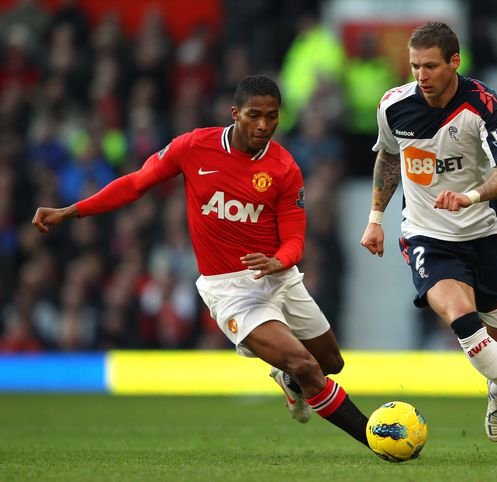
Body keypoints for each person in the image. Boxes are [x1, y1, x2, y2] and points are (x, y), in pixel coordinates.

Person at [33, 75, 370, 448]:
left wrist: (279, 260)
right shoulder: (193, 147)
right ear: (234, 113)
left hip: (279, 276)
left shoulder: (284, 168)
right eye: (254, 115)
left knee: (330, 363)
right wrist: (72, 211)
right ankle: (377, 438)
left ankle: (288, 381)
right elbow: (135, 183)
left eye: (272, 117)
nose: (263, 126)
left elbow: (294, 238)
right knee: (306, 366)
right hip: (230, 289)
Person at [361, 22, 497, 441]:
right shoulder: (393, 106)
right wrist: (374, 219)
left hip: (484, 232)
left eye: (429, 66)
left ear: (454, 62)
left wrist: (473, 196)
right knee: (462, 319)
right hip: (427, 235)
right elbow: (388, 158)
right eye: (413, 66)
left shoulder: (483, 103)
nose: (420, 76)